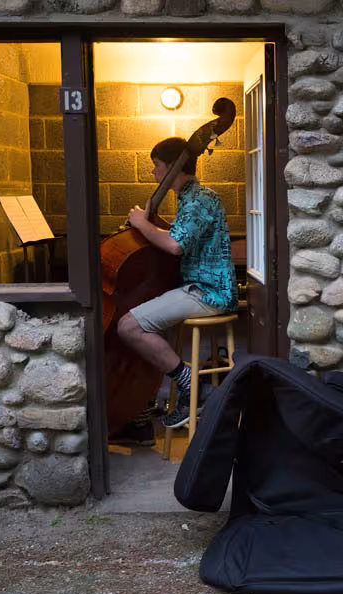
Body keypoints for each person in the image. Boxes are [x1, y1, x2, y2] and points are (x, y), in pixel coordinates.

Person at [111, 136, 238, 444]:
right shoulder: (192, 199)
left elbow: (175, 245)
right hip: (196, 288)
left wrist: (142, 223)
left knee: (128, 326)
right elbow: (180, 236)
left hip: (207, 292)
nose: (154, 173)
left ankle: (193, 386)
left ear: (171, 167)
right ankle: (169, 396)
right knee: (142, 322)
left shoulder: (198, 200)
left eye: (156, 166)